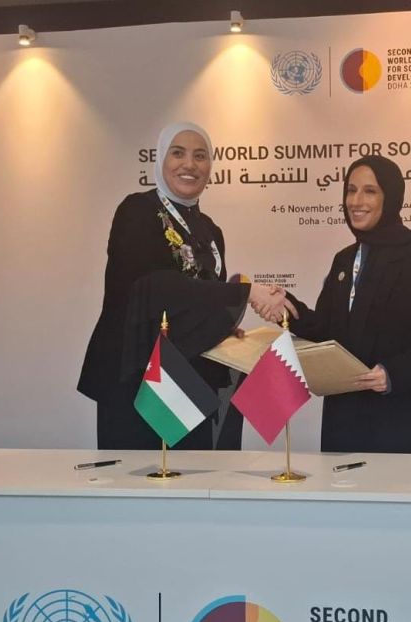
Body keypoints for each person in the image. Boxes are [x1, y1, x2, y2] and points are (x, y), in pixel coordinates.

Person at [78, 121, 291, 449]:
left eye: (200, 156)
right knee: (141, 475)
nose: (189, 164)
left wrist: (221, 329)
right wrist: (246, 292)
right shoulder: (137, 211)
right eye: (178, 153)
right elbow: (156, 288)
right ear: (161, 159)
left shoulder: (210, 230)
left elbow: (201, 299)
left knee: (191, 473)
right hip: (138, 378)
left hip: (190, 380)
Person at [284, 155, 411, 454]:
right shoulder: (344, 260)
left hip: (407, 424)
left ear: (390, 197)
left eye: (370, 191)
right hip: (346, 421)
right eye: (350, 190)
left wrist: (392, 373)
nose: (356, 201)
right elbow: (327, 330)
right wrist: (286, 307)